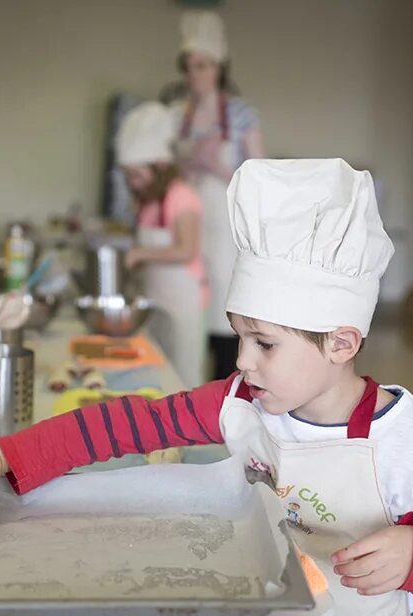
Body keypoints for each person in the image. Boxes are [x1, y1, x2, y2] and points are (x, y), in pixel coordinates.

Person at [0, 159, 413, 616]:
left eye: (264, 343)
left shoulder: (407, 443)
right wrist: (5, 451)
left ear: (342, 344)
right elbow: (127, 424)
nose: (242, 361)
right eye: (239, 337)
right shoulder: (243, 403)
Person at [169, 10, 265, 380]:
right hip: (188, 230)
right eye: (191, 66)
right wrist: (188, 166)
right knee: (189, 320)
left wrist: (216, 167)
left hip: (227, 234)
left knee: (225, 319)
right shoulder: (179, 115)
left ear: (220, 67)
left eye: (205, 65)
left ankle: (227, 396)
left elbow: (259, 178)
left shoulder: (241, 115)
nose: (197, 74)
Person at [118, 102, 207, 388]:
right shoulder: (149, 201)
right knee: (159, 375)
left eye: (138, 174)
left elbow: (186, 250)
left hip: (184, 303)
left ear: (159, 166)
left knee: (184, 378)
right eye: (129, 175)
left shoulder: (181, 195)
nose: (133, 182)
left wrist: (140, 254)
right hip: (157, 299)